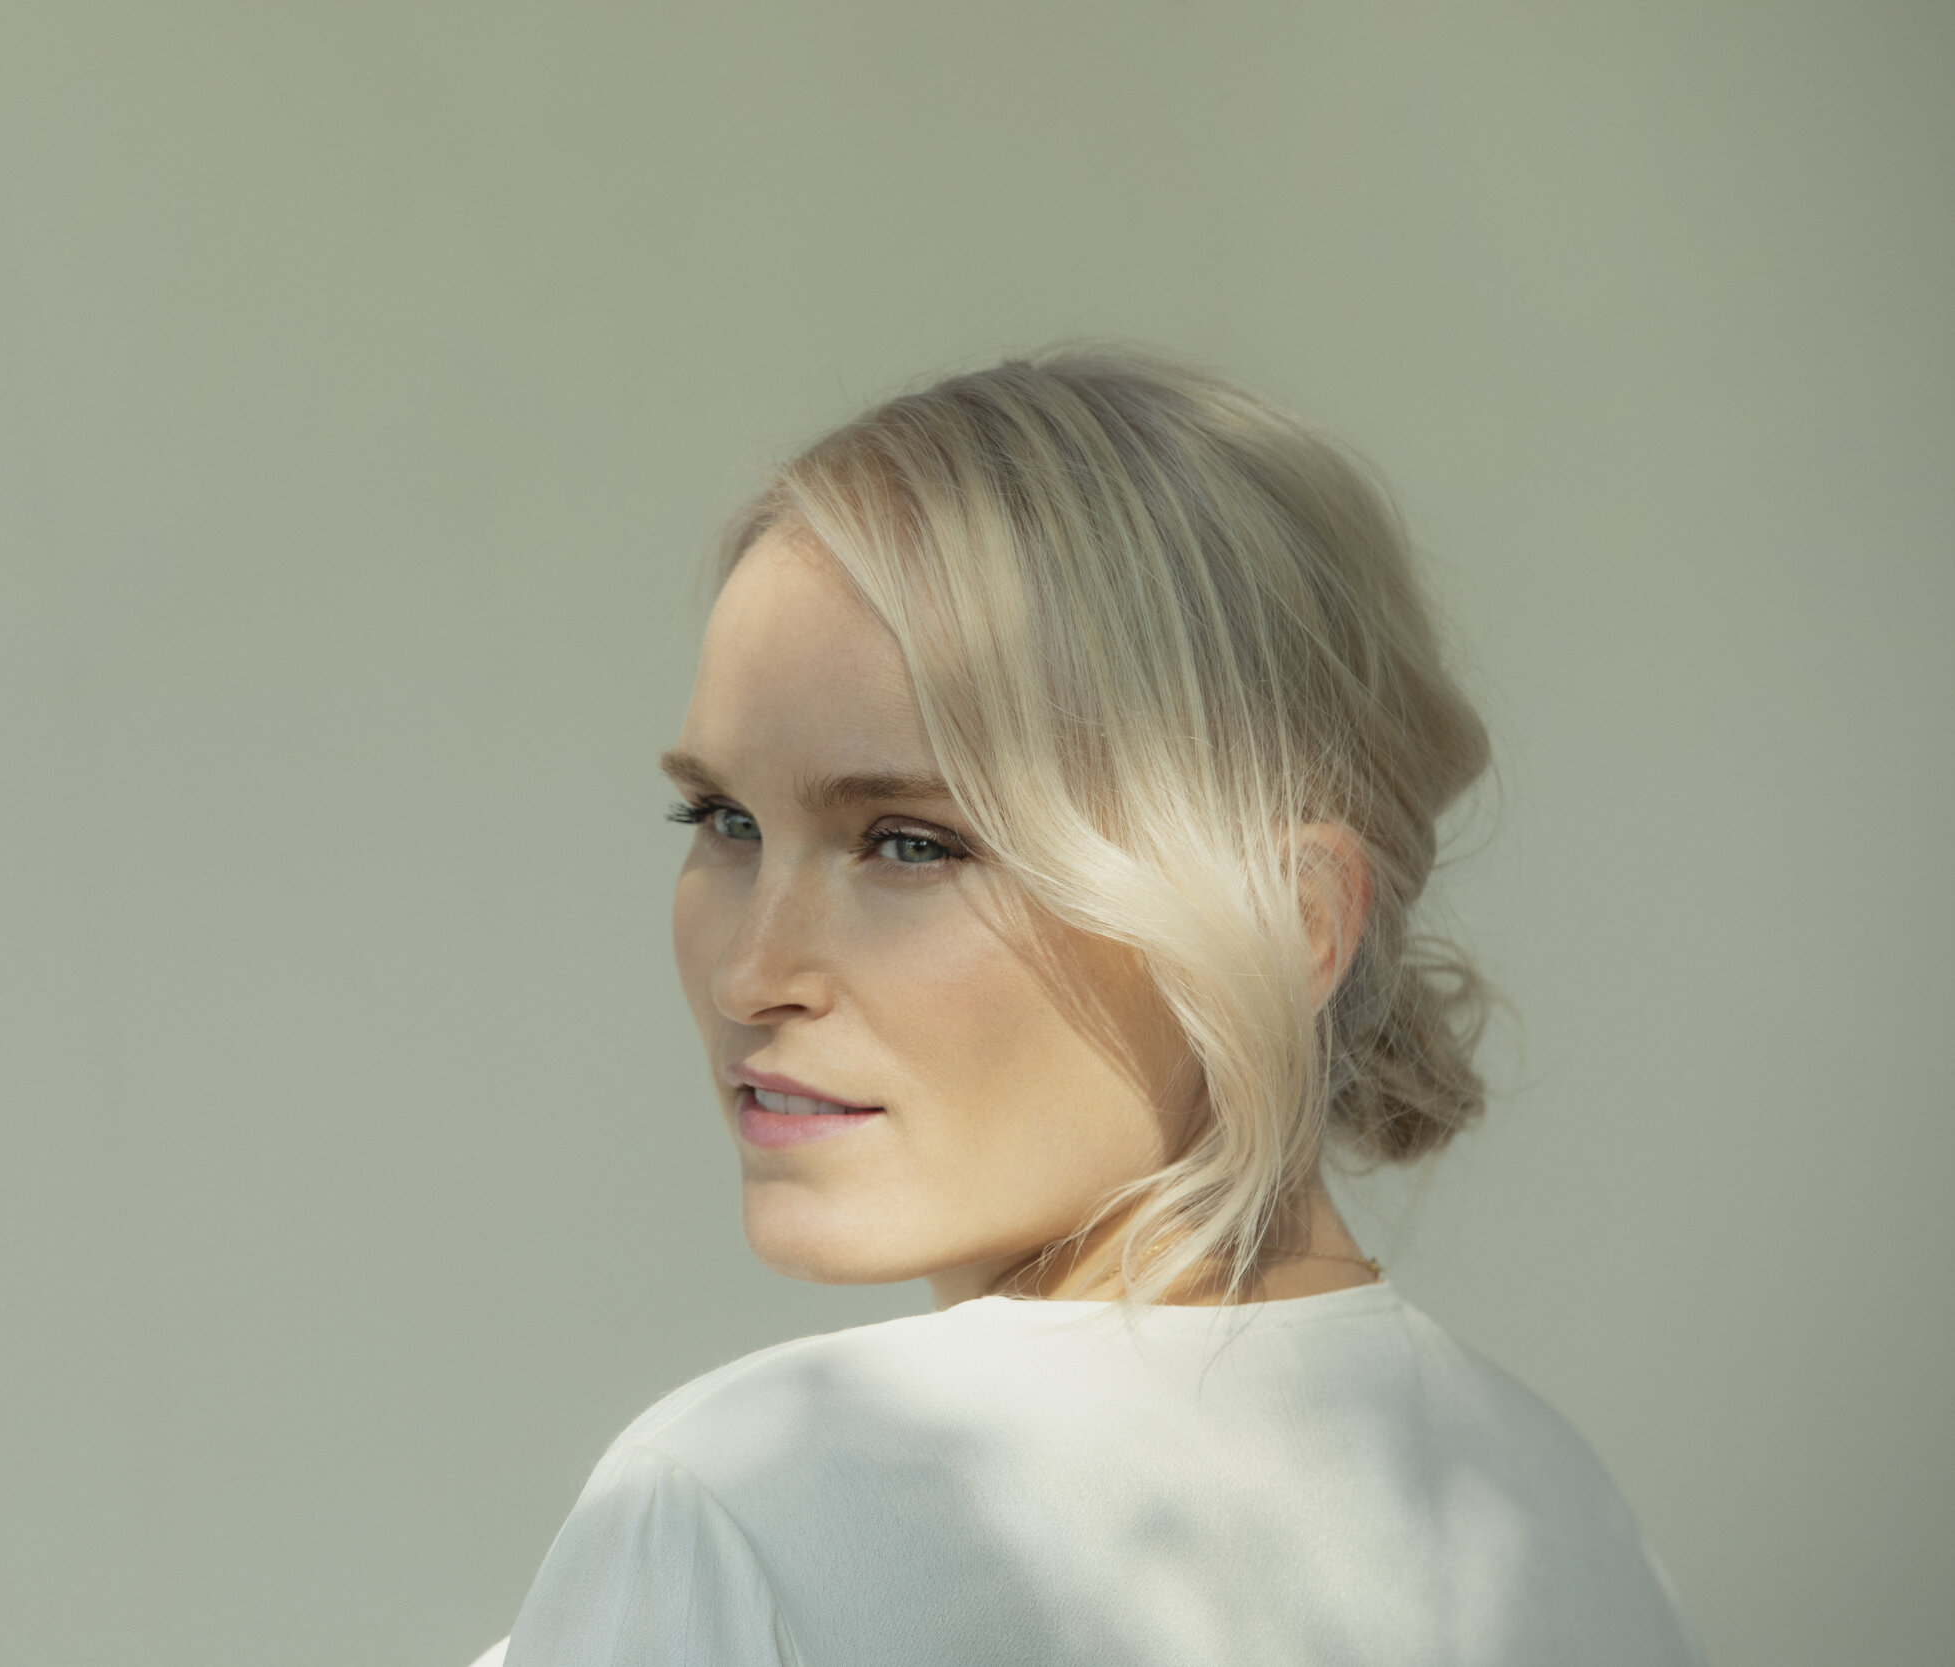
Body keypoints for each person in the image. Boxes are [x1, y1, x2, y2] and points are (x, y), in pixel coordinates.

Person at [470, 351, 1702, 1666]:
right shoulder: (1562, 1509)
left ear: (1290, 923)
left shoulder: (745, 1506)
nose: (749, 973)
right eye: (722, 820)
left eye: (912, 843)